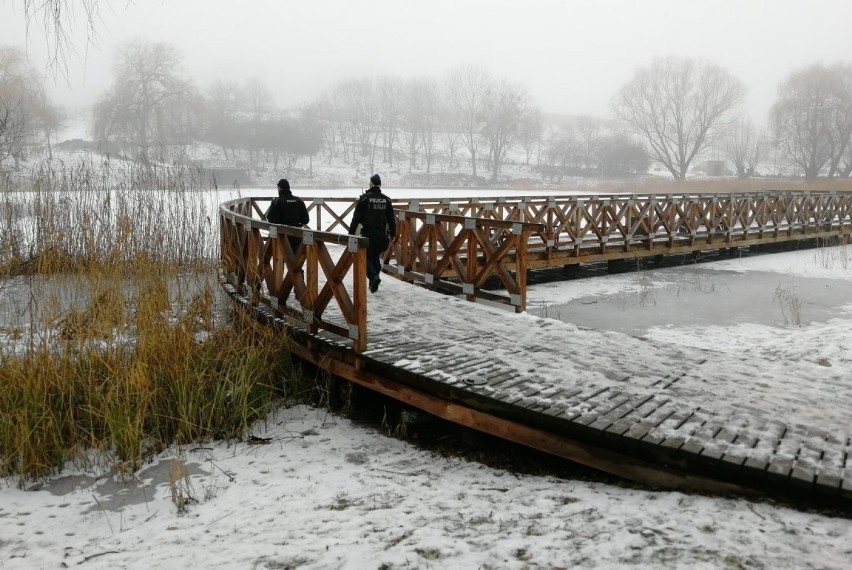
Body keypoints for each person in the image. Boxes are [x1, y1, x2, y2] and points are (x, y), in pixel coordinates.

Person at [349, 174, 396, 293]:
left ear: (370, 184)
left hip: (368, 233)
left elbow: (356, 218)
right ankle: (374, 279)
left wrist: (350, 233)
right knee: (375, 255)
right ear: (380, 185)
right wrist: (393, 234)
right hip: (382, 234)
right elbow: (391, 219)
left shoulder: (364, 198)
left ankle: (373, 277)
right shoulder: (386, 200)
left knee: (366, 257)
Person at [266, 178, 309, 253]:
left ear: (279, 188)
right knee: (295, 262)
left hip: (281, 237)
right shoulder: (299, 201)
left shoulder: (277, 202)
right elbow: (306, 220)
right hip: (297, 236)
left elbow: (271, 219)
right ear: (289, 188)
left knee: (280, 261)